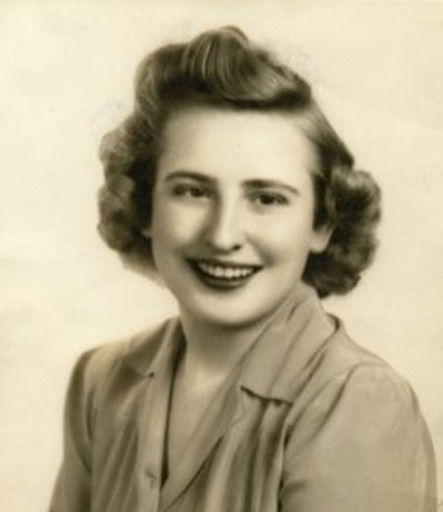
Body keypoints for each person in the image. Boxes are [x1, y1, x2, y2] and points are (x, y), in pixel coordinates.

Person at [49, 26, 437, 512]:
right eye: (193, 191)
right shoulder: (101, 381)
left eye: (267, 198)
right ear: (146, 207)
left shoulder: (356, 401)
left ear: (322, 223)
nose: (223, 234)